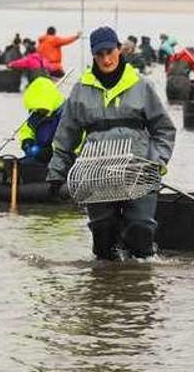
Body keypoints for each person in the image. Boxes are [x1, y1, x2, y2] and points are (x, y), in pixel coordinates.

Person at [47, 26, 175, 260]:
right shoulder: (80, 89)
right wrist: (56, 173)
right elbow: (66, 135)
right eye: (100, 54)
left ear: (119, 49)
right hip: (96, 175)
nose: (106, 59)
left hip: (139, 172)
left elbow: (164, 129)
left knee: (140, 229)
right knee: (103, 236)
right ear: (94, 56)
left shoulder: (142, 85)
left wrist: (157, 162)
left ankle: (139, 281)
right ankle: (108, 287)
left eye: (110, 52)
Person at [16, 77, 64, 164]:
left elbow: (71, 140)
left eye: (42, 109)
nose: (39, 111)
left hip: (60, 159)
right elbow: (27, 130)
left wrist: (51, 151)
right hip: (38, 156)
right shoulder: (36, 114)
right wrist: (26, 141)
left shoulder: (65, 115)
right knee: (21, 164)